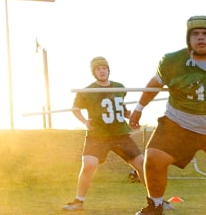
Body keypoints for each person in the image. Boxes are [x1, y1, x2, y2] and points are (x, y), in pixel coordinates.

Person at [129, 15, 206, 215]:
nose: (201, 38)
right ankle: (155, 205)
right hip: (179, 123)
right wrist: (138, 108)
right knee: (154, 158)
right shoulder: (173, 61)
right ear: (188, 38)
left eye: (205, 34)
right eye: (195, 34)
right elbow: (155, 84)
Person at [62, 57, 146, 211]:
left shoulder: (119, 87)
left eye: (104, 68)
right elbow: (75, 108)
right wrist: (85, 121)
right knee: (89, 165)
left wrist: (128, 115)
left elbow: (120, 107)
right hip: (98, 135)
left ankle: (156, 200)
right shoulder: (87, 91)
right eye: (98, 69)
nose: (101, 71)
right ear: (94, 72)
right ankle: (78, 201)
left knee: (142, 164)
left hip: (120, 134)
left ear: (108, 70)